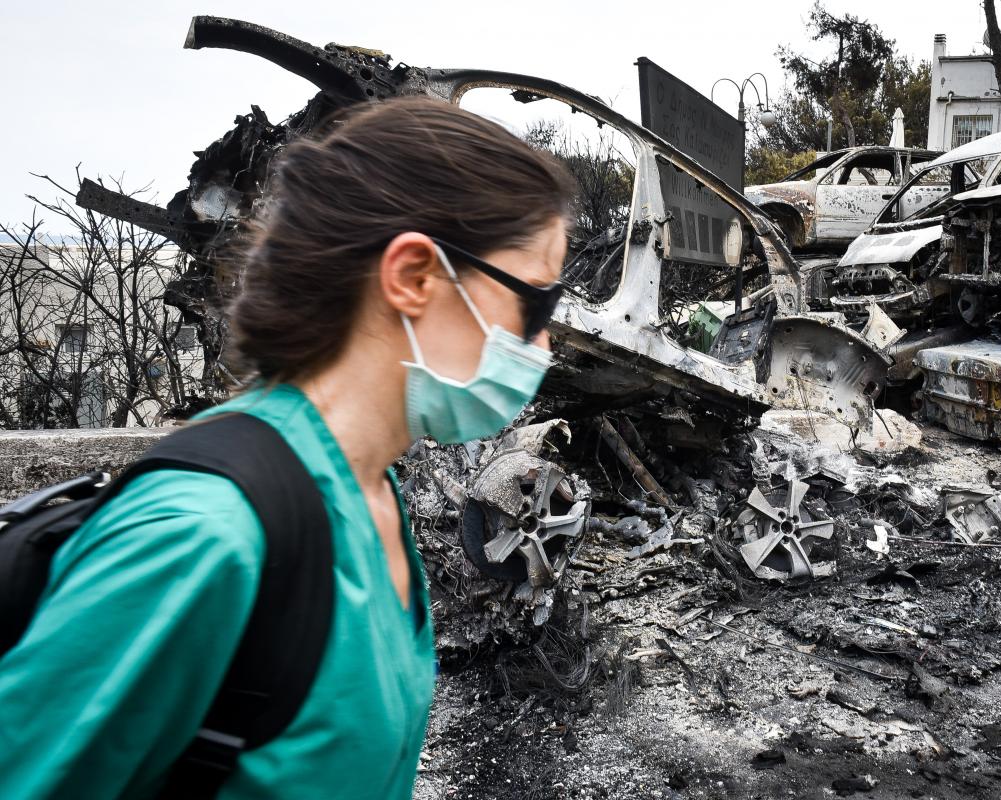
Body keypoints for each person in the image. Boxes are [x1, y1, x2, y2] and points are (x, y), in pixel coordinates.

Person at [0, 96, 575, 799]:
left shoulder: (372, 497)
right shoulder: (203, 536)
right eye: (536, 302)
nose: (545, 343)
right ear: (414, 277)